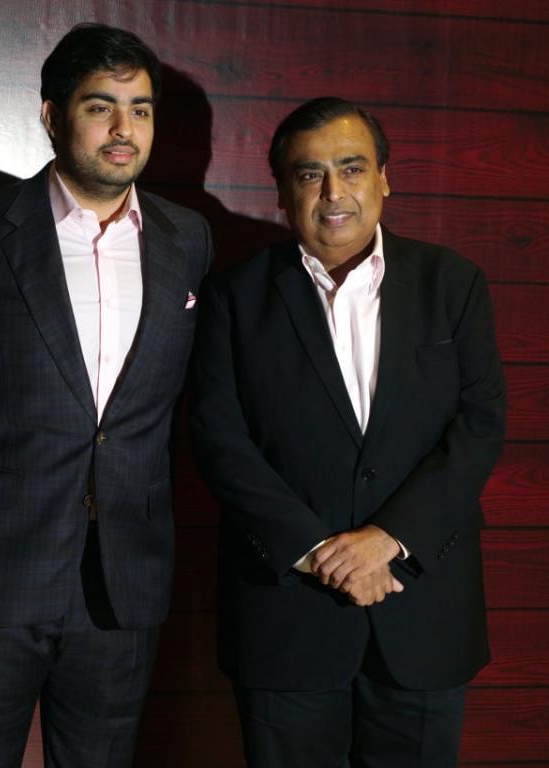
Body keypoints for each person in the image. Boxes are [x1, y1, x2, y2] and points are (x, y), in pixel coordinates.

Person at [188, 97, 506, 766]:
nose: (334, 193)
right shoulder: (234, 299)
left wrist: (387, 541)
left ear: (384, 177)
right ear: (281, 190)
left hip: (422, 611)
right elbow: (220, 443)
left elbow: (479, 427)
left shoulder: (454, 285)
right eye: (309, 174)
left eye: (352, 168)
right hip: (287, 617)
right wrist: (319, 550)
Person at [0, 22, 212, 767]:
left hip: (123, 583)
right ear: (52, 115)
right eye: (101, 106)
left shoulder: (189, 239)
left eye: (142, 108)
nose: (125, 129)